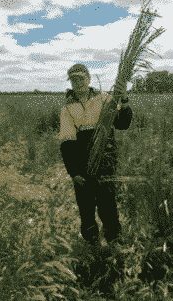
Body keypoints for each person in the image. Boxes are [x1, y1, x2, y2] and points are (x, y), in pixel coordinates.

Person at [55, 63, 133, 260]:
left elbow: (122, 123)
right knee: (86, 206)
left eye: (81, 78)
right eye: (74, 79)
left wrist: (123, 101)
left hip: (106, 160)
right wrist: (74, 172)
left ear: (89, 79)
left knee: (108, 204)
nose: (78, 82)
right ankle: (92, 247)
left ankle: (114, 243)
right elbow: (67, 142)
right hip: (83, 165)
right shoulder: (67, 109)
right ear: (70, 83)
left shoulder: (104, 99)